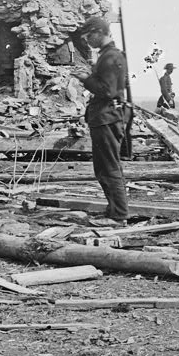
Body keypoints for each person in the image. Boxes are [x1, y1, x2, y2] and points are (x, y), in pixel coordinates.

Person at [71, 17, 129, 221]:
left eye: (88, 37)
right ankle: (113, 210)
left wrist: (86, 79)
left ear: (98, 33)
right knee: (104, 167)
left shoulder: (111, 57)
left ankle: (119, 214)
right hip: (105, 117)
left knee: (109, 167)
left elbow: (107, 90)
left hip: (107, 117)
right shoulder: (108, 55)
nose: (87, 41)